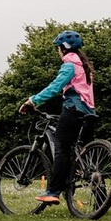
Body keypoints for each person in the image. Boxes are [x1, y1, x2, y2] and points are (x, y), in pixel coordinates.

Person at [18, 29, 96, 206]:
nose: (57, 51)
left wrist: (32, 101)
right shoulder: (85, 67)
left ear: (63, 48)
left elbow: (54, 87)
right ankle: (100, 200)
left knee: (61, 148)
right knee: (85, 155)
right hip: (89, 113)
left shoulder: (70, 65)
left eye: (58, 47)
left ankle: (53, 192)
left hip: (73, 110)